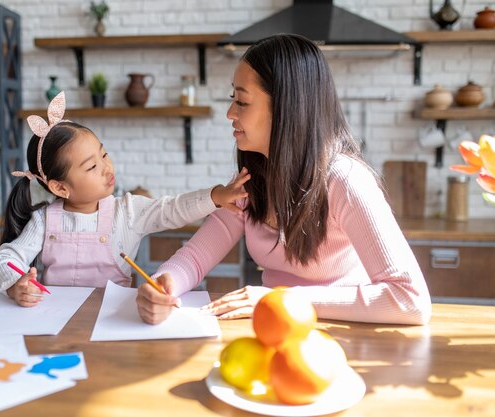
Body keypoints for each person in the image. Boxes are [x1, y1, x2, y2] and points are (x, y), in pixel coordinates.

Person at [136, 34, 432, 326]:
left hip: (341, 338)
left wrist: (279, 299)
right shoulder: (251, 180)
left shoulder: (347, 181)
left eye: (242, 101)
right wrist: (164, 284)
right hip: (276, 330)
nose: (230, 113)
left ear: (285, 107)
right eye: (232, 99)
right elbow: (196, 256)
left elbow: (409, 299)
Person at [0, 92, 250, 307]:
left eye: (104, 155)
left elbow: (171, 209)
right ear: (60, 187)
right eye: (92, 167)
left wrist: (214, 196)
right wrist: (16, 284)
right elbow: (4, 259)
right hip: (55, 325)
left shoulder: (127, 212)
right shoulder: (44, 220)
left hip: (112, 320)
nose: (107, 168)